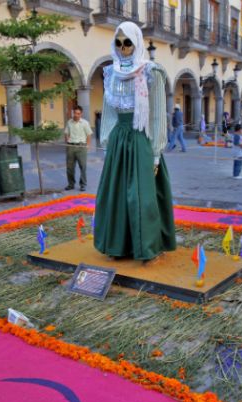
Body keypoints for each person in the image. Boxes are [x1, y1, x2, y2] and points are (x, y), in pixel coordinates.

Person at [94, 22, 176, 261]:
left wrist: (156, 152)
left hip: (141, 138)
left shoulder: (152, 72)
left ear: (136, 42)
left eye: (127, 42)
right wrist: (107, 140)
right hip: (119, 140)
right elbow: (109, 110)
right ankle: (118, 245)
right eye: (119, 42)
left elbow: (158, 114)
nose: (123, 48)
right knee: (116, 193)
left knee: (142, 195)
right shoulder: (110, 72)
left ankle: (146, 247)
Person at [64, 105, 92, 191]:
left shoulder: (85, 123)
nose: (76, 115)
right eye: (75, 113)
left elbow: (88, 134)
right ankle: (71, 184)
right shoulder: (69, 122)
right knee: (70, 167)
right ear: (73, 113)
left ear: (81, 114)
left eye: (78, 113)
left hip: (81, 147)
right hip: (71, 147)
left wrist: (87, 145)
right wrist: (67, 140)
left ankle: (83, 184)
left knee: (83, 167)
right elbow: (66, 133)